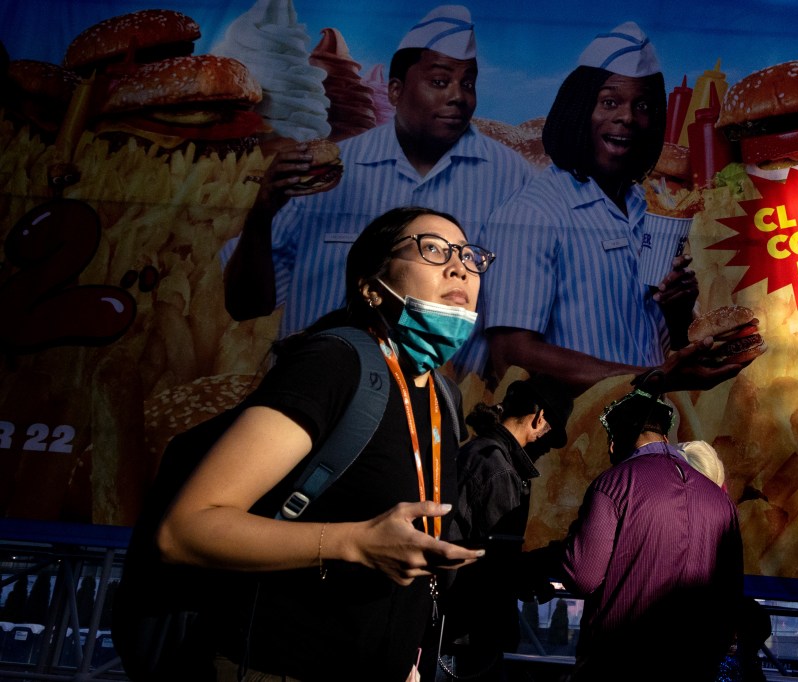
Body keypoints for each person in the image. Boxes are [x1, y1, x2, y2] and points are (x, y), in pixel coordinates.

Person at [158, 206, 493, 682]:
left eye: (469, 256)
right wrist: (352, 542)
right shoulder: (333, 364)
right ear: (371, 287)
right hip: (274, 666)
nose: (459, 266)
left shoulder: (444, 396)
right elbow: (185, 530)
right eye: (433, 249)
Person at [221, 5, 533, 346]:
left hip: (441, 396)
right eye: (440, 82)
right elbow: (246, 305)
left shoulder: (512, 178)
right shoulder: (327, 171)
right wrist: (262, 213)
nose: (458, 97)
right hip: (318, 388)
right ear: (395, 91)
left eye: (468, 84)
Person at [480, 22, 745, 394]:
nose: (627, 117)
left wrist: (677, 308)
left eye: (643, 106)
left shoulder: (648, 209)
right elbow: (512, 353)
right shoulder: (531, 214)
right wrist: (650, 380)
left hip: (649, 434)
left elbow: (659, 346)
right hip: (571, 443)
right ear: (578, 110)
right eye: (609, 102)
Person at [559, 386, 743, 681]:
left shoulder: (613, 484)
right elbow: (731, 594)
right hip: (696, 667)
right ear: (666, 438)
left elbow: (583, 577)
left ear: (613, 442)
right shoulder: (720, 501)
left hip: (620, 664)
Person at [438, 374, 575, 680]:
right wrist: (551, 560)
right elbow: (498, 564)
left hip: (457, 624)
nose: (548, 448)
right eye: (552, 435)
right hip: (468, 631)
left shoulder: (480, 452)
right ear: (539, 418)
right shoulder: (499, 470)